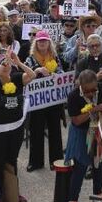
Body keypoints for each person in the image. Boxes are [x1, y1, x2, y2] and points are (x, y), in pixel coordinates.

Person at [0, 48, 36, 202]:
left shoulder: (16, 78)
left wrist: (18, 62)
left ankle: (13, 192)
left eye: (6, 64)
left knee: (11, 161)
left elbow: (32, 75)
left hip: (14, 128)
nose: (5, 66)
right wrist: (1, 65)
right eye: (1, 64)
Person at [64, 70, 102, 202]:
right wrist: (95, 109)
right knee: (80, 167)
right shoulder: (73, 96)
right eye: (87, 91)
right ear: (80, 86)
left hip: (101, 130)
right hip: (82, 133)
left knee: (99, 165)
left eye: (94, 89)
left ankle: (98, 196)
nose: (91, 93)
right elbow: (76, 120)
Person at [24, 30, 64, 172]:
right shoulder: (30, 58)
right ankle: (35, 162)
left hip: (52, 98)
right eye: (40, 41)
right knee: (36, 130)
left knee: (55, 130)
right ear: (36, 43)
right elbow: (25, 76)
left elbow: (62, 74)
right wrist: (38, 70)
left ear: (49, 43)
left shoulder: (54, 56)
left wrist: (53, 74)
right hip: (37, 99)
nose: (42, 43)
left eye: (45, 41)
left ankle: (56, 160)